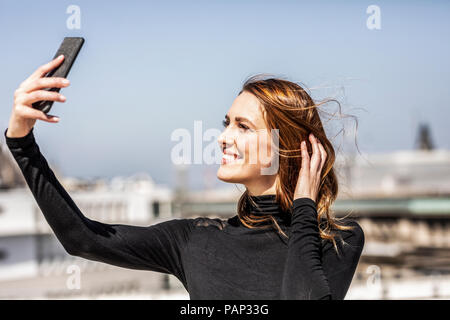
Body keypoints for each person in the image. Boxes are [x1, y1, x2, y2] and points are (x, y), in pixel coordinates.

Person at [4, 55, 364, 300]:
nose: (223, 137)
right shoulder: (193, 240)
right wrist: (21, 142)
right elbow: (83, 239)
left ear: (285, 146)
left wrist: (303, 207)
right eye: (226, 124)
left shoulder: (338, 241)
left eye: (243, 126)